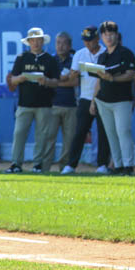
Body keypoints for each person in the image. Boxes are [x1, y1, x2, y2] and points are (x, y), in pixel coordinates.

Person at [5, 27, 60, 173]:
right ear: (28, 42)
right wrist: (21, 77)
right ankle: (16, 163)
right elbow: (12, 79)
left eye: (38, 40)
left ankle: (38, 164)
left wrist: (47, 81)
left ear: (43, 41)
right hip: (24, 103)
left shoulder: (50, 59)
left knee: (41, 136)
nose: (35, 43)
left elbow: (56, 81)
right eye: (32, 40)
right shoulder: (22, 58)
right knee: (19, 133)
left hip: (44, 103)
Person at [61, 25, 111, 175]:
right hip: (85, 97)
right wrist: (73, 74)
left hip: (102, 97)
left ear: (97, 39)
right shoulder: (80, 54)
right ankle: (71, 164)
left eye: (90, 40)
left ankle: (102, 164)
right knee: (80, 132)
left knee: (103, 132)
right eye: (85, 41)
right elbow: (72, 76)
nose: (88, 44)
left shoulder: (105, 52)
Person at [93, 21, 135, 175]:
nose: (108, 37)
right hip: (104, 100)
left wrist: (113, 79)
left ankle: (128, 166)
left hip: (121, 99)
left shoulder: (125, 53)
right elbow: (98, 80)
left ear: (117, 35)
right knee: (111, 134)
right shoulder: (102, 56)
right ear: (101, 37)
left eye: (111, 34)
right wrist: (94, 100)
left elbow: (130, 74)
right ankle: (117, 165)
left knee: (123, 132)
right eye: (105, 34)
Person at [44, 32, 78, 172]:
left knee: (69, 141)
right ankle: (44, 168)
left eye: (64, 43)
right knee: (48, 138)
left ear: (69, 46)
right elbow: (45, 82)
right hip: (52, 105)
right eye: (58, 43)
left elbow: (75, 81)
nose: (60, 46)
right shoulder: (50, 60)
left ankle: (65, 168)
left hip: (71, 106)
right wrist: (62, 79)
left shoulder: (74, 60)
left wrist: (55, 82)